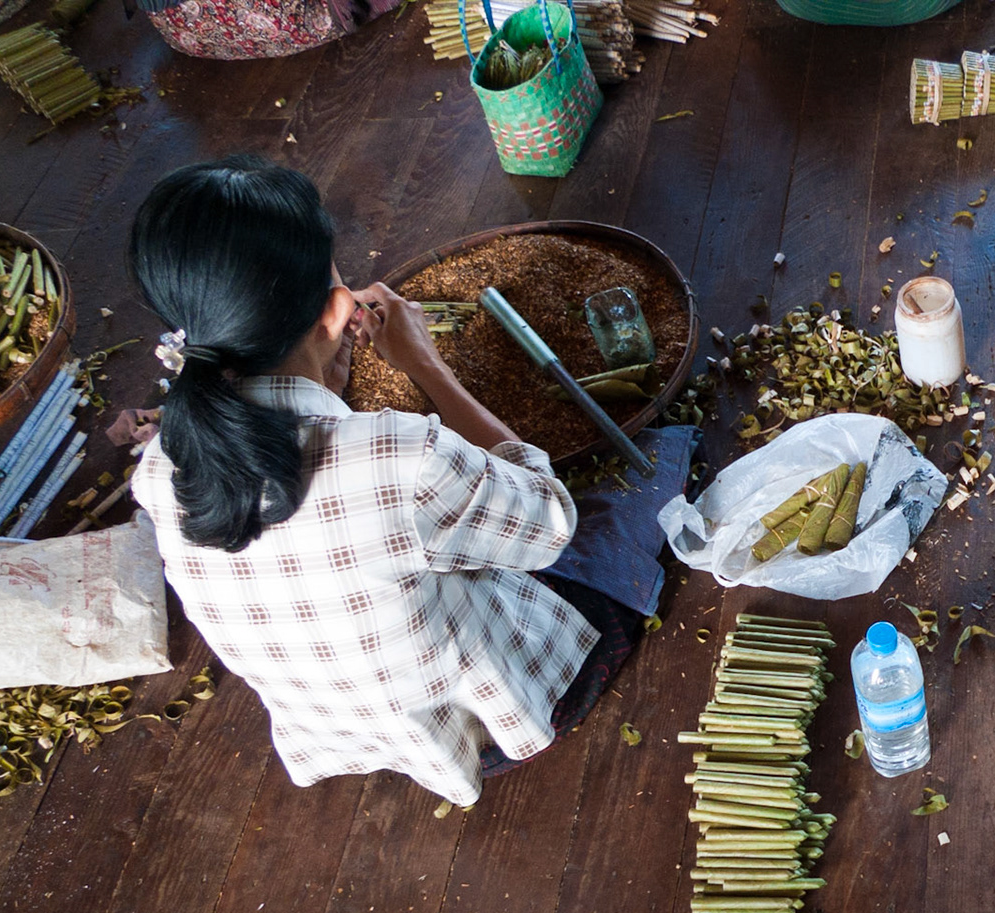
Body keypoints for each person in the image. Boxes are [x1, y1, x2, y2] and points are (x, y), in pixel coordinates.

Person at [129, 155, 636, 805]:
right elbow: (548, 522)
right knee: (629, 509)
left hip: (363, 736)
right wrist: (426, 364)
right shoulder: (402, 457)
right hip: (489, 723)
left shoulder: (158, 470)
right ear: (337, 309)